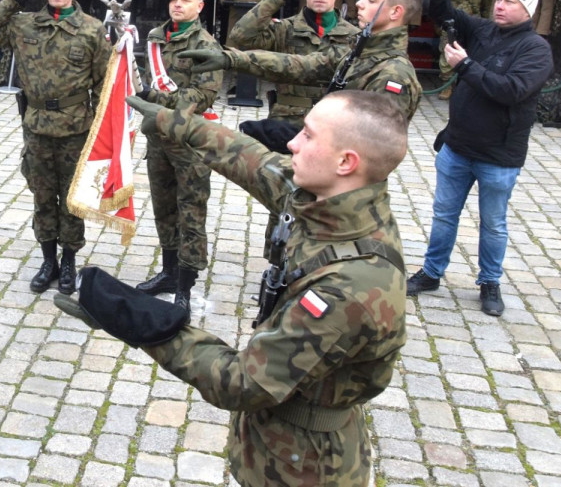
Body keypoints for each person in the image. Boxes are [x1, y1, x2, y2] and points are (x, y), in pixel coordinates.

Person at [63, 90, 408, 487]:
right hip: (276, 441)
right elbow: (253, 161)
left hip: (305, 467)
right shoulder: (335, 202)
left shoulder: (347, 289)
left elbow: (243, 382)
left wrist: (137, 319)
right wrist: (176, 124)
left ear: (346, 162)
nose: (292, 143)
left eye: (309, 135)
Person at [407, 0, 553, 317]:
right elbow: (442, 11)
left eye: (509, 2)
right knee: (444, 215)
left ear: (527, 9)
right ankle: (431, 273)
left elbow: (511, 90)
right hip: (458, 147)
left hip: (499, 155)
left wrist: (466, 66)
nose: (499, 6)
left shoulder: (536, 49)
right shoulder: (483, 30)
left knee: (493, 224)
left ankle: (489, 282)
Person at [0, 0, 112, 295]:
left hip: (76, 129)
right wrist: (13, 0)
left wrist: (101, 133)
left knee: (72, 200)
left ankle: (69, 261)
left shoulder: (92, 30)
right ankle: (48, 260)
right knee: (42, 196)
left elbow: (104, 84)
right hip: (36, 126)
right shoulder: (24, 25)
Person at [192, 0, 423, 126]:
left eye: (370, 0)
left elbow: (369, 148)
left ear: (396, 12)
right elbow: (298, 65)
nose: (359, 3)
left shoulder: (393, 74)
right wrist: (231, 59)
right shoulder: (358, 50)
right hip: (294, 125)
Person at [134, 0, 222, 310]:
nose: (178, 4)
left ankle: (185, 284)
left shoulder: (206, 45)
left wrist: (153, 97)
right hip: (159, 139)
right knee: (164, 210)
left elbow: (201, 97)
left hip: (190, 143)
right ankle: (169, 272)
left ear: (200, 6)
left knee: (191, 213)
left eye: (186, 0)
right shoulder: (156, 37)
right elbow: (144, 78)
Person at [227, 0, 360, 125]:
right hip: (286, 120)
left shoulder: (354, 36)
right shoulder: (286, 29)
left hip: (333, 122)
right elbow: (240, 35)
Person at [437, 0, 492, 99]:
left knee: (472, 55)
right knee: (447, 54)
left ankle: (467, 86)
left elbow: (487, 8)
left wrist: (487, 26)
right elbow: (441, 4)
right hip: (451, 25)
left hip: (474, 27)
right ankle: (447, 86)